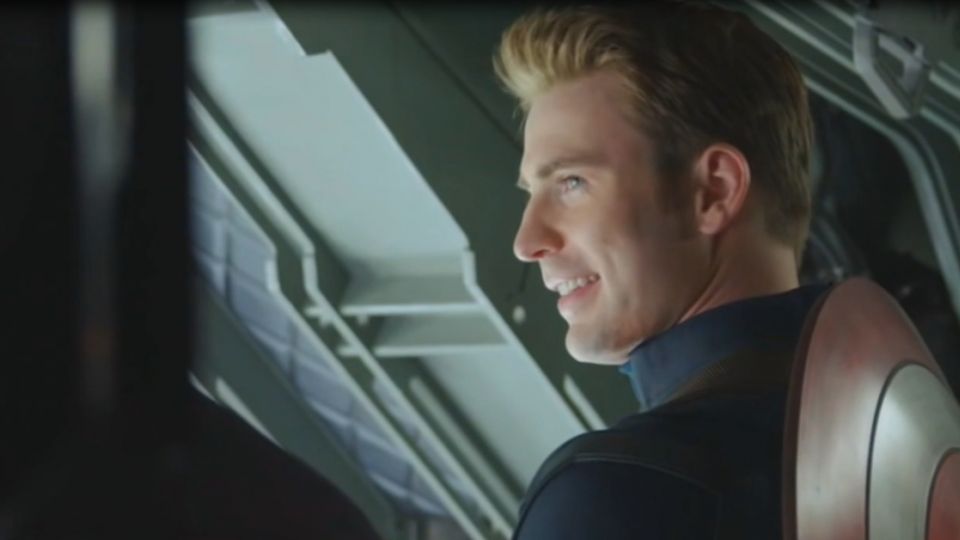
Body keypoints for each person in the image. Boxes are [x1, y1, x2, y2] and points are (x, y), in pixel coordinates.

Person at [493, 2, 828, 538]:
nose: (526, 243)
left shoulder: (622, 493)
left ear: (712, 191)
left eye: (572, 183)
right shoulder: (913, 418)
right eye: (532, 192)